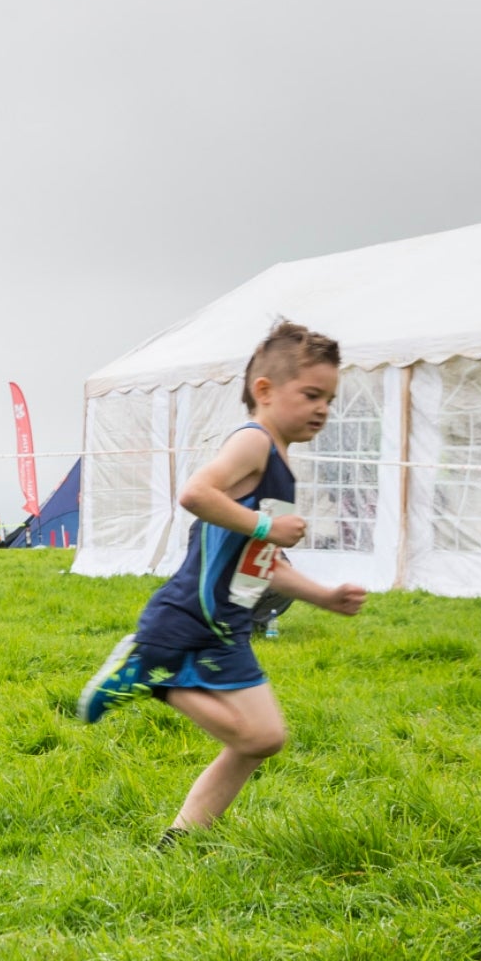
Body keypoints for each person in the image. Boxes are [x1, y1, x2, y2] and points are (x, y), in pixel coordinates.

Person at [77, 321, 370, 849]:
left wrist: (325, 598)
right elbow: (194, 493)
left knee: (263, 739)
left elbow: (264, 564)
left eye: (329, 397)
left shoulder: (280, 464)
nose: (323, 408)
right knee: (259, 737)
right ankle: (151, 673)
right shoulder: (252, 442)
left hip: (227, 623)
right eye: (310, 394)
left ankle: (178, 843)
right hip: (192, 616)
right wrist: (266, 525)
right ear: (264, 390)